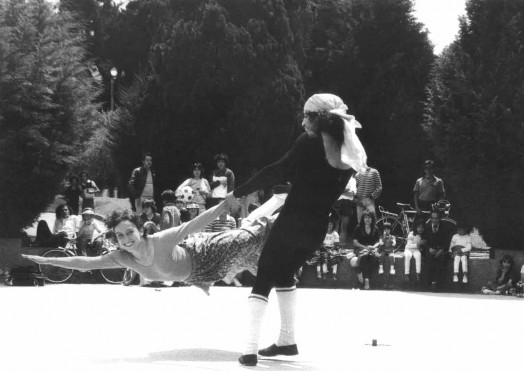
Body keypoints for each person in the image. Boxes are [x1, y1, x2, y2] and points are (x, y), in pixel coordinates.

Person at [224, 93, 366, 366]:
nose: (302, 122)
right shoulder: (349, 151)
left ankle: (249, 350)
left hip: (292, 222)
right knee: (285, 273)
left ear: (317, 118)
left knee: (264, 275)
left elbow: (277, 170)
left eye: (305, 116)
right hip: (316, 229)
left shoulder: (310, 142)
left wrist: (239, 193)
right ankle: (287, 341)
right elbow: (324, 185)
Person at [24, 194, 287, 292]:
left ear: (139, 230)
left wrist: (222, 205)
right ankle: (275, 207)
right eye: (120, 236)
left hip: (204, 250)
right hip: (203, 273)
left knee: (246, 237)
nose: (126, 240)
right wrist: (48, 259)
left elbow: (192, 225)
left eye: (129, 232)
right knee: (255, 261)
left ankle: (282, 205)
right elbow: (86, 263)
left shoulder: (159, 240)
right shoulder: (121, 257)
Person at [421, 209, 451, 291]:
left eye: (436, 218)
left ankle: (437, 284)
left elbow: (447, 241)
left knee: (441, 260)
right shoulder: (426, 227)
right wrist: (429, 249)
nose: (434, 220)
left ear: (439, 218)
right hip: (430, 249)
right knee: (429, 260)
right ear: (430, 218)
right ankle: (429, 283)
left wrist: (441, 250)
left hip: (441, 250)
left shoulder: (444, 227)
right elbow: (424, 241)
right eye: (433, 218)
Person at [352, 211, 381, 290]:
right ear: (363, 219)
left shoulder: (376, 228)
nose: (367, 219)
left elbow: (378, 242)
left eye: (369, 218)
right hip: (360, 248)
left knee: (374, 258)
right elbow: (355, 242)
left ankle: (359, 271)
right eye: (366, 218)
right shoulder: (358, 228)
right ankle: (367, 280)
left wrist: (373, 246)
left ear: (372, 219)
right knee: (364, 257)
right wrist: (364, 247)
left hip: (371, 248)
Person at [333, 175, 356, 244]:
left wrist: (342, 191)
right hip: (337, 202)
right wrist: (346, 191)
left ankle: (342, 245)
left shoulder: (352, 180)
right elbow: (335, 191)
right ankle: (333, 244)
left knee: (344, 226)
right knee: (335, 224)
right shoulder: (340, 178)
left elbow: (352, 194)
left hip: (347, 203)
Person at [378, 222, 397, 289]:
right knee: (381, 255)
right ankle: (380, 267)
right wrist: (383, 238)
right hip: (383, 250)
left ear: (390, 230)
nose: (386, 231)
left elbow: (394, 244)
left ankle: (392, 268)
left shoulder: (392, 237)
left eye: (388, 229)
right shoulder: (382, 236)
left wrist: (392, 241)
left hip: (390, 250)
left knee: (391, 256)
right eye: (385, 229)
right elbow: (380, 243)